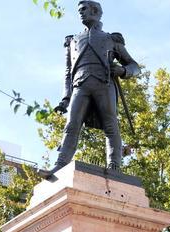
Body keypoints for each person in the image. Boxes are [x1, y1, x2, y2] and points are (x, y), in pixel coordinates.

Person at [52, 0, 140, 171]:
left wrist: (122, 70)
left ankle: (114, 166)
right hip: (80, 85)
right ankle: (60, 165)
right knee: (71, 125)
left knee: (110, 125)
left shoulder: (111, 39)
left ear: (95, 11)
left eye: (84, 9)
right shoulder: (72, 41)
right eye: (79, 10)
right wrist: (65, 99)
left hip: (104, 84)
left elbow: (134, 66)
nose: (81, 13)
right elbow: (68, 72)